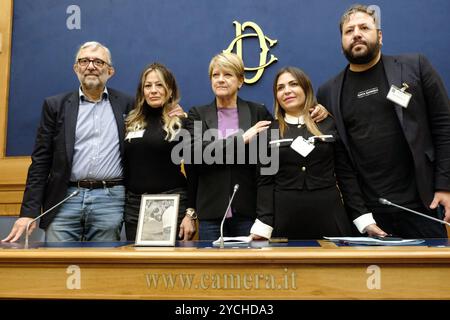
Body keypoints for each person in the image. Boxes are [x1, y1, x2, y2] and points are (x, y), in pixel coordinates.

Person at [316, 4, 450, 238]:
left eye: (364, 27)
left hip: (421, 204)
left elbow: (444, 126)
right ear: (341, 44)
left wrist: (445, 186)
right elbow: (341, 160)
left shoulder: (415, 67)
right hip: (369, 214)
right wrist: (360, 214)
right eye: (349, 31)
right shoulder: (328, 92)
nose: (356, 33)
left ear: (379, 36)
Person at [185, 53, 328, 240]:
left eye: (227, 75)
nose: (220, 80)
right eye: (215, 75)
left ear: (240, 81)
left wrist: (316, 110)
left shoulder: (257, 112)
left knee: (251, 269)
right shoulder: (198, 114)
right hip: (211, 213)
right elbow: (196, 154)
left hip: (249, 211)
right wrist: (242, 139)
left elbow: (288, 128)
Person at [2, 41, 134, 243]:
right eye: (84, 61)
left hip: (109, 200)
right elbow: (40, 161)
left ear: (110, 71)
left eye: (98, 61)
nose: (91, 66)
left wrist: (173, 115)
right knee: (57, 265)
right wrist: (28, 212)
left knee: (103, 266)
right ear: (76, 68)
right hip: (64, 199)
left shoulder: (128, 104)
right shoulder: (55, 106)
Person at [255, 67, 363, 239]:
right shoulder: (269, 131)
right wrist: (263, 224)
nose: (287, 91)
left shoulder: (328, 123)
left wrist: (362, 217)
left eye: (293, 84)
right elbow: (265, 183)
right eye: (280, 88)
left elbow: (345, 175)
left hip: (330, 216)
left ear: (306, 89)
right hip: (285, 219)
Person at [124, 63, 195, 241]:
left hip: (171, 205)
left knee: (169, 265)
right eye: (148, 86)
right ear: (142, 91)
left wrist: (190, 213)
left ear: (170, 90)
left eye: (160, 85)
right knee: (138, 266)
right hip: (135, 206)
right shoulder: (130, 122)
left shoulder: (182, 123)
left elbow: (195, 171)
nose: (153, 90)